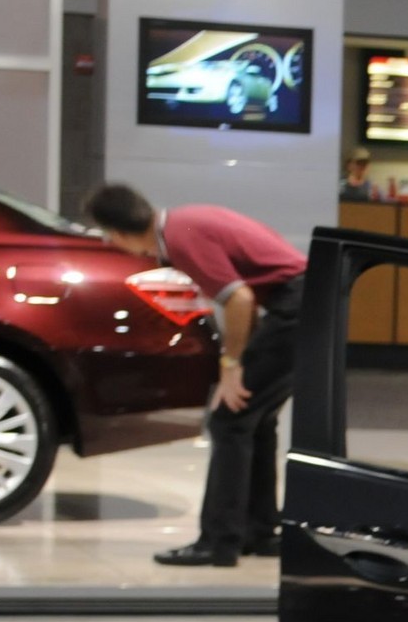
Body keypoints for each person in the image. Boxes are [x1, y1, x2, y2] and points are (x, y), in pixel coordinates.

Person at [80, 183, 307, 566]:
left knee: (229, 420)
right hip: (307, 303)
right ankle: (259, 531)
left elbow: (239, 299)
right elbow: (248, 296)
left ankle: (218, 542)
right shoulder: (184, 222)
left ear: (117, 233)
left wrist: (231, 368)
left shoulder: (181, 239)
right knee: (254, 419)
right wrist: (241, 361)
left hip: (296, 307)